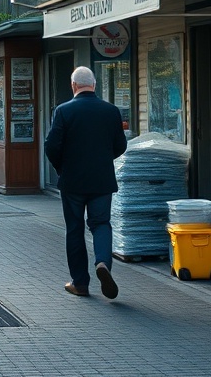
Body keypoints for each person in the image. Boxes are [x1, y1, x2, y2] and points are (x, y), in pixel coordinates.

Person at [44, 66, 128, 299]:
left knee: (75, 229)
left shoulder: (63, 111)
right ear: (94, 85)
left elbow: (51, 146)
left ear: (73, 86)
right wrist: (101, 160)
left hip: (72, 182)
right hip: (101, 180)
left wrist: (63, 167)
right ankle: (102, 263)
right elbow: (121, 145)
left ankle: (80, 283)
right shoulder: (111, 111)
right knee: (101, 224)